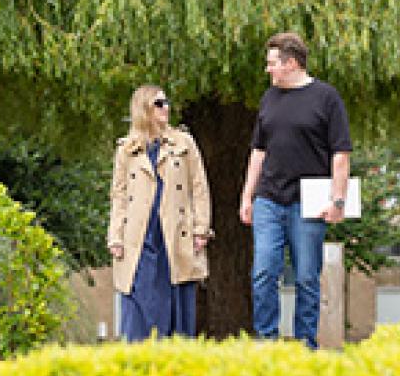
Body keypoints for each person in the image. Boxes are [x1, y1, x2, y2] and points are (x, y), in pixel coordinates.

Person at [238, 32, 351, 349]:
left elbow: (340, 154)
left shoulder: (327, 98)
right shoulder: (269, 98)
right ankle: (266, 341)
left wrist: (337, 200)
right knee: (263, 273)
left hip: (309, 203)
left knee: (306, 277)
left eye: (272, 63)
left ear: (291, 64)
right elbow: (258, 152)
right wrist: (247, 195)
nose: (268, 70)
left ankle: (305, 344)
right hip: (269, 200)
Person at [107, 85, 213, 341]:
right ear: (144, 108)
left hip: (175, 234)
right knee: (139, 307)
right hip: (139, 238)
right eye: (159, 103)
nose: (166, 108)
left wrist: (201, 229)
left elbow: (199, 188)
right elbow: (119, 195)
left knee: (178, 305)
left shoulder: (184, 143)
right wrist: (115, 236)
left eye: (166, 102)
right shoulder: (126, 149)